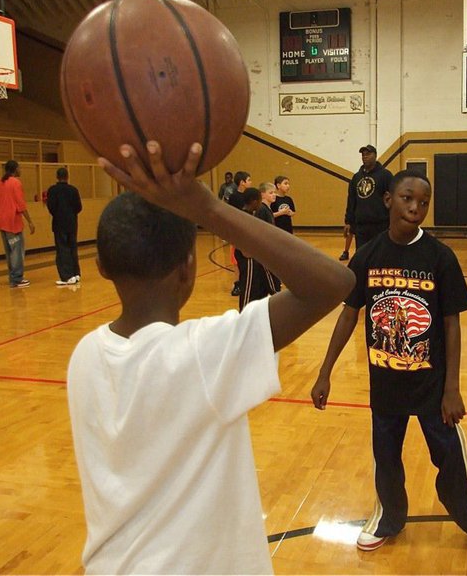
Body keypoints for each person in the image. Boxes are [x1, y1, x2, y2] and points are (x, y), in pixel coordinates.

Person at [68, 140, 354, 575]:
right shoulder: (203, 354)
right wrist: (209, 209)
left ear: (101, 266)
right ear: (189, 266)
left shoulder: (84, 355)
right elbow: (334, 282)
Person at [311, 170, 467, 560]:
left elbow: (452, 324)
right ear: (388, 200)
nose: (415, 208)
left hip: (432, 388)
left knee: (451, 460)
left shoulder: (439, 258)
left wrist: (452, 388)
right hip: (385, 385)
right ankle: (389, 518)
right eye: (407, 199)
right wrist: (324, 371)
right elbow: (349, 314)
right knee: (386, 459)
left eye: (423, 202)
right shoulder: (368, 256)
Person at [0, 159, 35, 288]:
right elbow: (21, 205)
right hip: (12, 223)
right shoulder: (15, 183)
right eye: (19, 168)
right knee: (16, 251)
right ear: (15, 169)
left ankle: (12, 276)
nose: (21, 170)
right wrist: (30, 221)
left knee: (9, 251)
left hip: (1, 222)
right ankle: (17, 278)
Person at [342, 144, 392, 256]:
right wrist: (348, 222)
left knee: (380, 256)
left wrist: (393, 222)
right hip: (361, 227)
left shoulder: (385, 175)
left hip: (381, 226)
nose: (365, 156)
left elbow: (393, 199)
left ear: (375, 155)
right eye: (363, 155)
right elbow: (351, 200)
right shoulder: (356, 177)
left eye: (368, 154)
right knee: (362, 257)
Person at [235, 187, 278, 308]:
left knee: (258, 287)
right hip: (247, 257)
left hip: (255, 257)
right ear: (254, 201)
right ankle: (243, 316)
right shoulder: (244, 217)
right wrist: (249, 252)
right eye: (259, 201)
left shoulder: (250, 215)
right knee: (248, 289)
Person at [46, 167, 83, 285]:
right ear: (67, 176)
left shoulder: (52, 190)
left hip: (59, 223)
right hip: (72, 222)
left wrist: (58, 214)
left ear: (57, 177)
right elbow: (79, 207)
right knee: (72, 247)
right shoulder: (73, 190)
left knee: (62, 248)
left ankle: (66, 276)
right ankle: (76, 273)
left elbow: (51, 207)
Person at [228, 171, 252, 295]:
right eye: (249, 180)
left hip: (247, 231)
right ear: (242, 182)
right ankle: (237, 284)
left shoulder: (249, 196)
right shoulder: (234, 197)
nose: (251, 182)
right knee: (236, 260)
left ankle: (247, 282)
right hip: (237, 232)